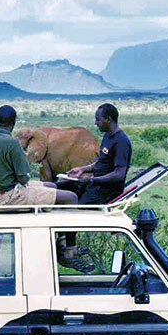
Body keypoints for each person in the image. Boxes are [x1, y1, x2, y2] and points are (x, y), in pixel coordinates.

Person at [0, 105, 89, 271]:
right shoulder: (12, 144)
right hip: (11, 197)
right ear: (14, 123)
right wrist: (24, 175)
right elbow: (23, 178)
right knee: (71, 197)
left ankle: (61, 241)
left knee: (52, 185)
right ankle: (69, 250)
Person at [57, 103, 132, 262]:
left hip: (106, 191)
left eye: (98, 120)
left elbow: (119, 175)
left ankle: (70, 250)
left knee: (74, 210)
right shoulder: (108, 136)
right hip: (96, 184)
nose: (96, 123)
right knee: (61, 187)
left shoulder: (121, 142)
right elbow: (101, 163)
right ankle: (61, 237)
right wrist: (83, 169)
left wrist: (91, 179)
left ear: (108, 119)